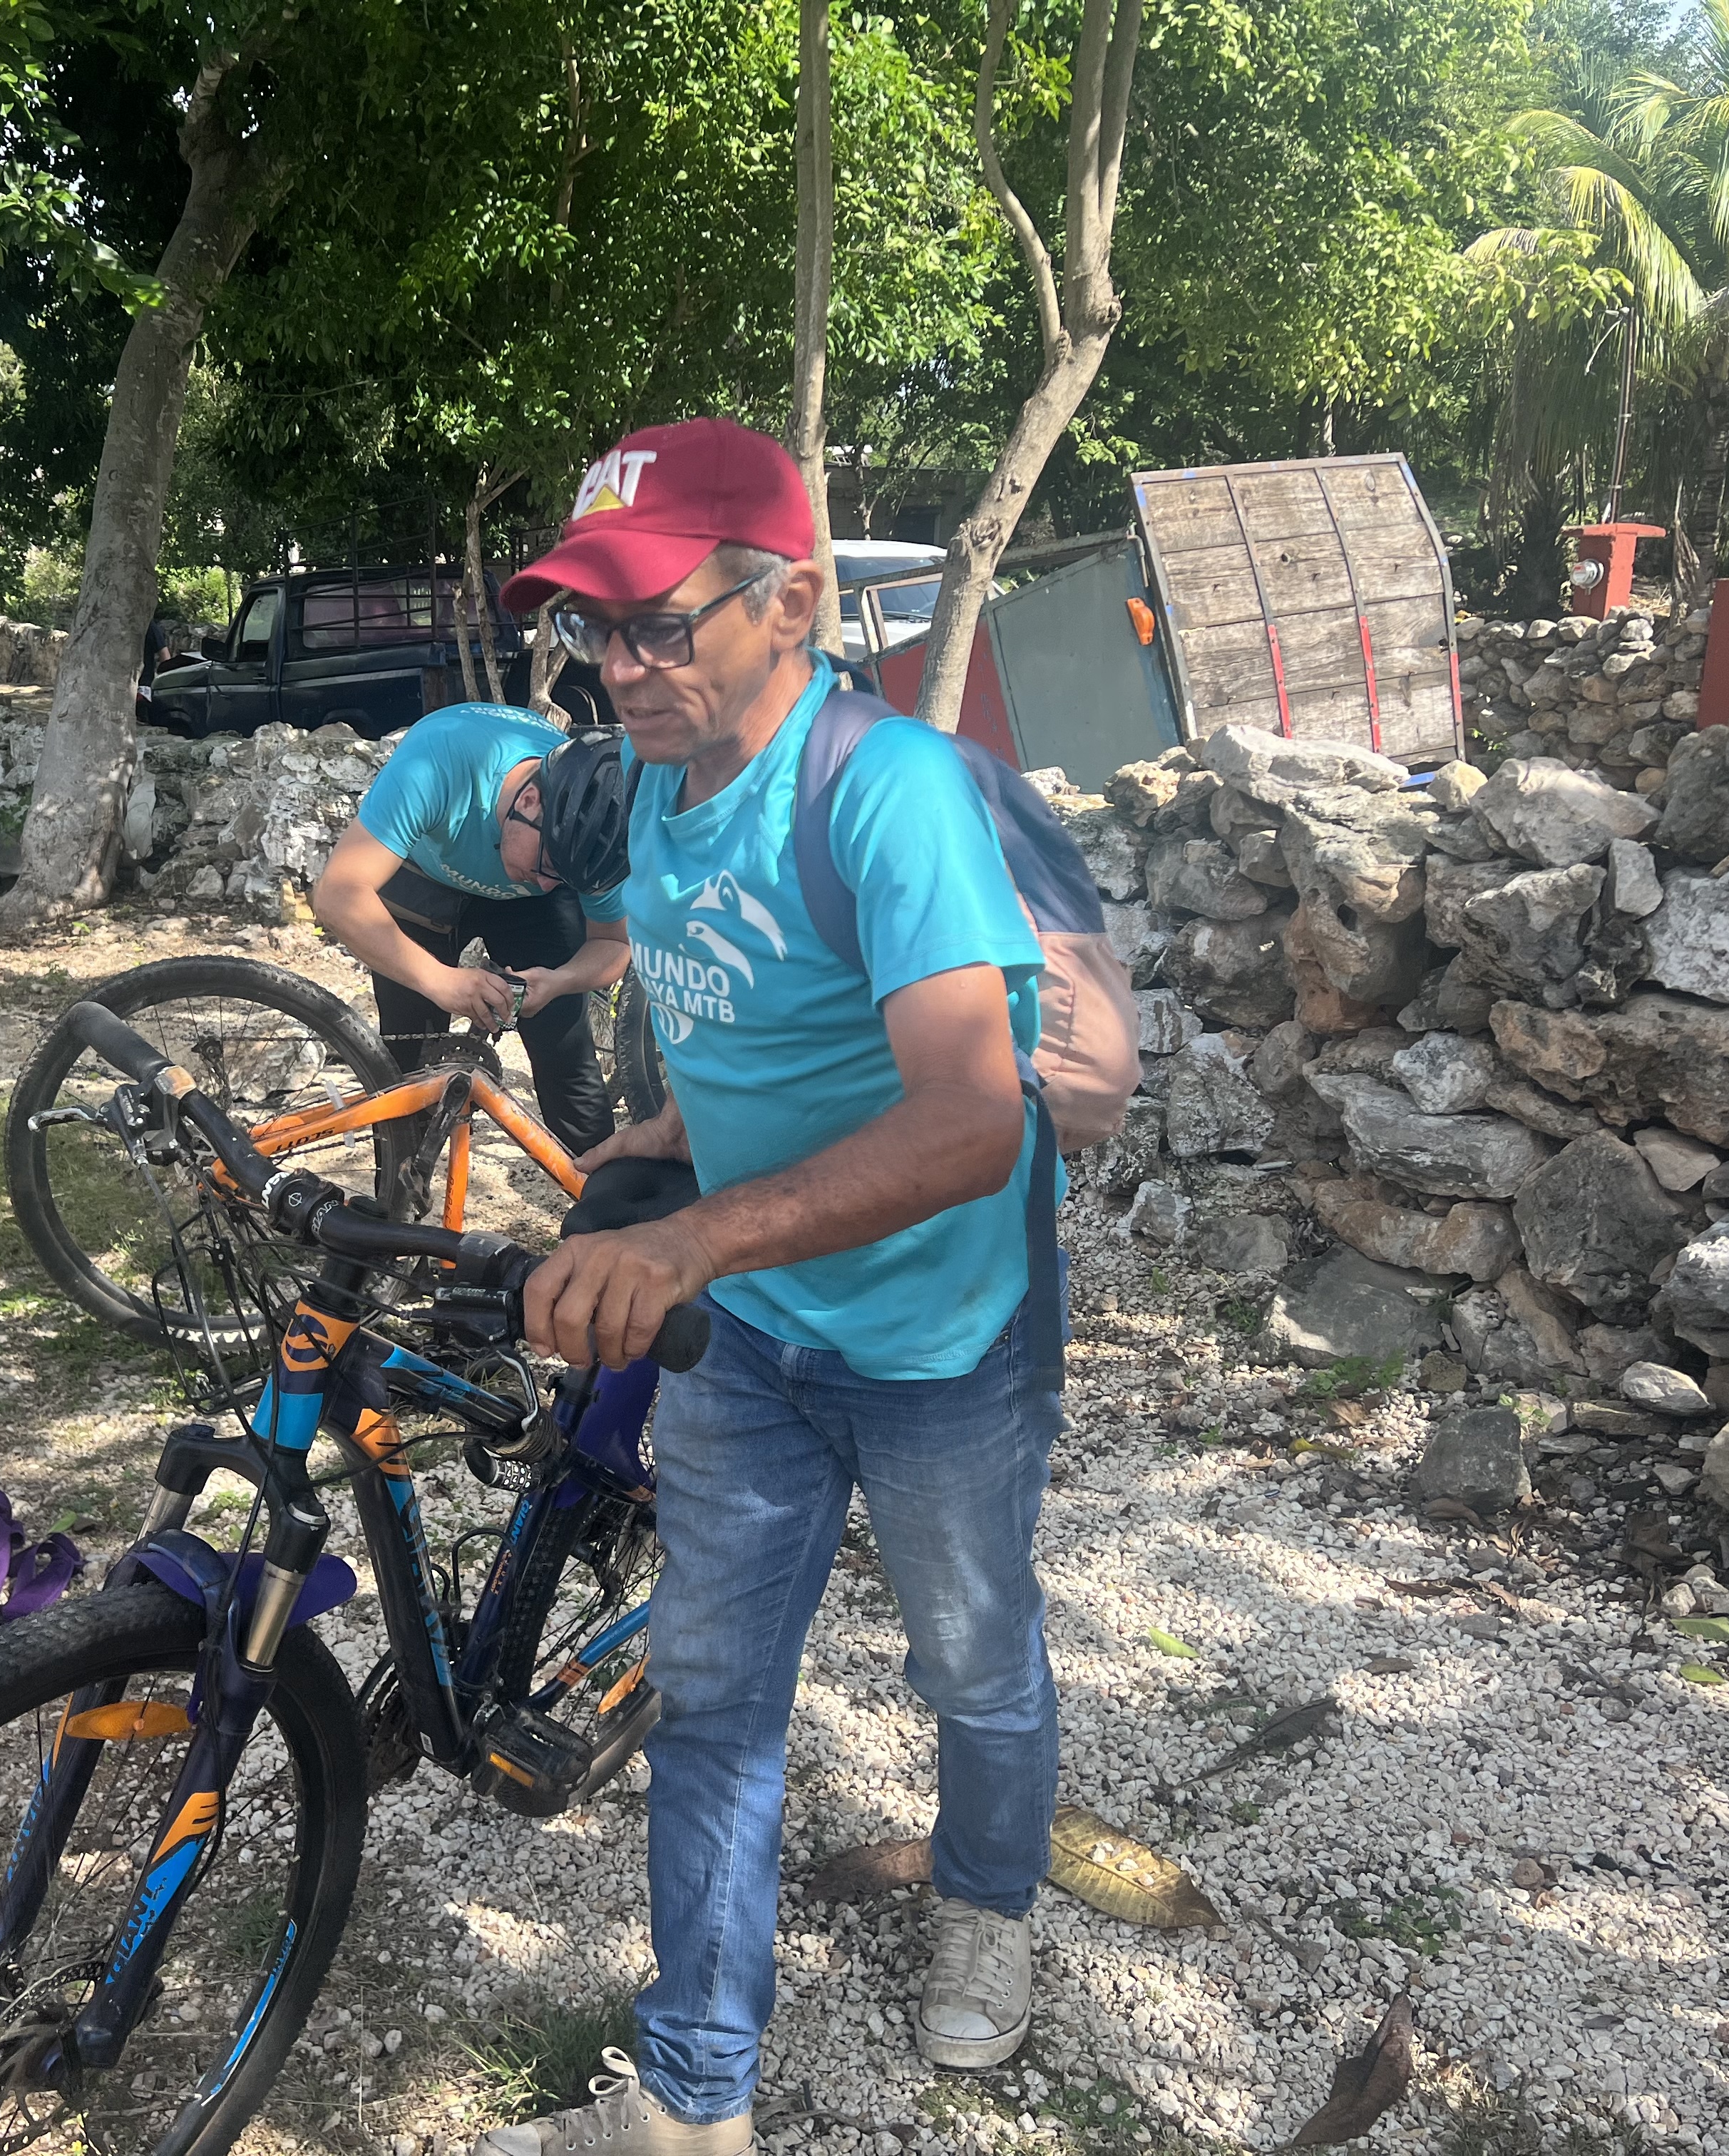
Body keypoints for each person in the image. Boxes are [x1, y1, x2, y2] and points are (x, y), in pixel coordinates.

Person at [486, 417, 1062, 2156]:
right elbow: (746, 1017)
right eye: (594, 627)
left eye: (662, 621)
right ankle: (691, 2107)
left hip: (942, 1339)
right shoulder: (662, 794)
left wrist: (689, 1240)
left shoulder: (891, 789)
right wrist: (656, 1146)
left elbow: (974, 1119)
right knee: (716, 1701)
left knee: (973, 1663)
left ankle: (990, 1898)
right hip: (751, 1334)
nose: (620, 666)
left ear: (791, 603)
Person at [312, 706, 634, 1155]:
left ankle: (603, 1209)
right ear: (529, 802)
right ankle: (395, 1209)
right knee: (408, 1063)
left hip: (531, 911)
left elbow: (613, 943)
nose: (546, 883)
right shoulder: (441, 763)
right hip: (425, 872)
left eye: (567, 879)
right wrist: (438, 980)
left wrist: (562, 982)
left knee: (566, 1055)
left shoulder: (586, 841)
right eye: (550, 866)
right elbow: (337, 893)